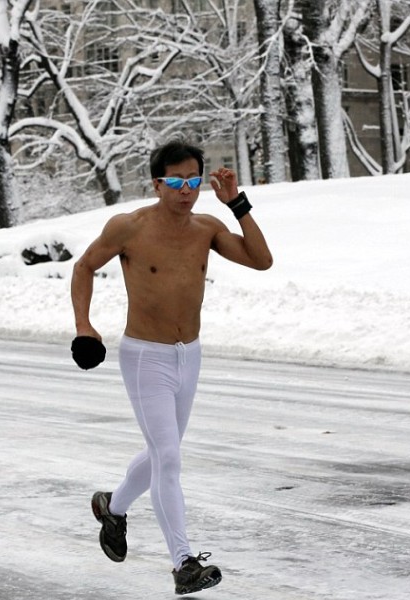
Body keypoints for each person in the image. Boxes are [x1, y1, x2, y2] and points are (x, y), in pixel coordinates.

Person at [70, 140, 273, 595]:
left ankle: (112, 506)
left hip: (190, 353)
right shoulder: (129, 227)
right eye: (177, 182)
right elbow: (84, 267)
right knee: (169, 458)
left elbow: (261, 260)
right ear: (157, 183)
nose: (187, 191)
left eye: (194, 181)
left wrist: (237, 203)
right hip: (145, 356)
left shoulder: (207, 227)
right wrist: (85, 326)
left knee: (163, 453)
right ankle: (183, 562)